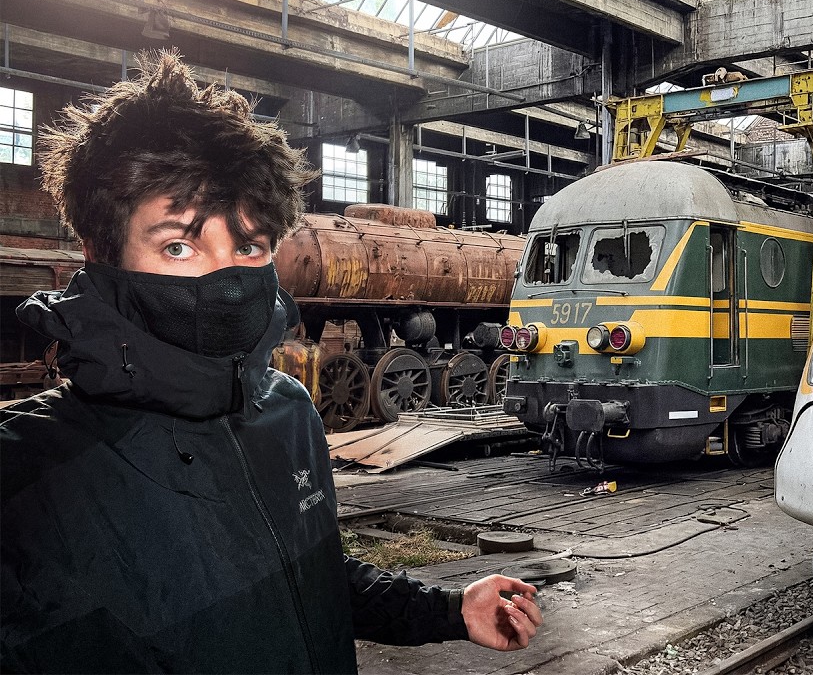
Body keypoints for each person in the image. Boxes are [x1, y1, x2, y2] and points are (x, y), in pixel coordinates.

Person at [0, 50, 542, 673]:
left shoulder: (288, 413)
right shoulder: (27, 473)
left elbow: (309, 575)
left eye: (250, 245)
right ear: (101, 252)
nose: (227, 278)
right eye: (179, 246)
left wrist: (447, 611)